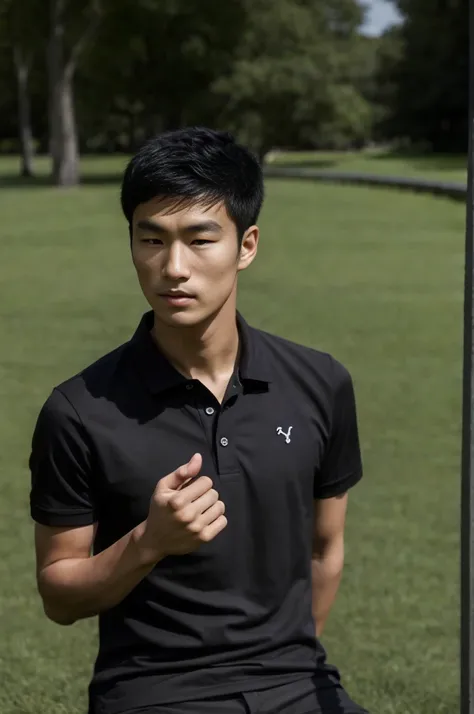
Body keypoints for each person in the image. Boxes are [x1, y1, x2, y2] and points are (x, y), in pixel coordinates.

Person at [29, 127, 369, 714]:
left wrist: (289, 662)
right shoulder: (78, 411)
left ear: (247, 245)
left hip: (296, 683)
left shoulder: (320, 384)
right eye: (152, 239)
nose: (173, 267)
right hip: (154, 693)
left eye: (199, 239)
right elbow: (60, 594)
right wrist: (148, 542)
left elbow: (324, 549)